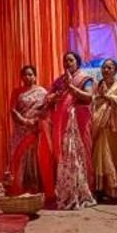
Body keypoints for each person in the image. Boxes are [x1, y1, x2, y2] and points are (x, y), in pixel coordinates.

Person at [45, 52, 95, 209]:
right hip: (61, 122)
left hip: (79, 121)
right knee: (64, 156)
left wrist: (71, 87)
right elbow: (49, 97)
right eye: (65, 60)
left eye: (71, 60)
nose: (67, 63)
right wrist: (54, 97)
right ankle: (66, 192)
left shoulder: (85, 79)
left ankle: (83, 191)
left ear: (77, 62)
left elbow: (89, 97)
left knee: (81, 154)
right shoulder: (59, 81)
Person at [91, 58, 117, 203]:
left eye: (109, 68)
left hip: (116, 130)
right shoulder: (97, 86)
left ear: (115, 70)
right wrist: (100, 99)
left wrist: (107, 97)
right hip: (100, 128)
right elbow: (93, 103)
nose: (106, 70)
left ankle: (113, 191)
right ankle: (100, 190)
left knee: (115, 159)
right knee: (100, 159)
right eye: (104, 67)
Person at [8, 65, 53, 197]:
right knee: (20, 157)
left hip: (35, 130)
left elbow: (45, 110)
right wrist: (24, 121)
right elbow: (13, 110)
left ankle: (35, 188)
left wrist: (35, 121)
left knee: (33, 159)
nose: (28, 77)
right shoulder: (17, 92)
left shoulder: (42, 92)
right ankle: (21, 188)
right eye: (25, 75)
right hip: (21, 130)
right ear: (21, 77)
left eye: (30, 74)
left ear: (35, 76)